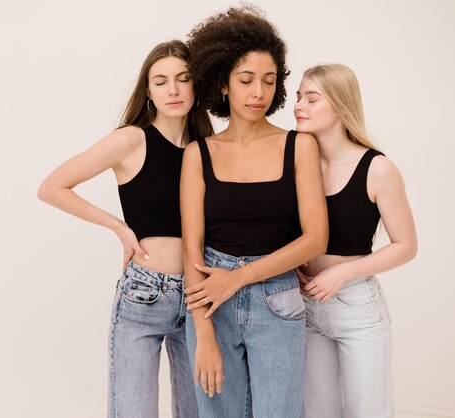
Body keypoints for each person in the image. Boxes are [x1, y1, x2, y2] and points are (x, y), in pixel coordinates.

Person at [38, 40, 213, 418]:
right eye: (161, 81)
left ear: (196, 86)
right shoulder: (131, 140)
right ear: (148, 90)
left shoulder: (209, 148)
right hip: (144, 293)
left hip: (201, 297)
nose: (174, 90)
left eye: (183, 79)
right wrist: (118, 226)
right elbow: (52, 187)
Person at [180, 6, 328, 417]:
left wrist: (239, 278)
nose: (258, 93)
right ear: (223, 84)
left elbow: (316, 238)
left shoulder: (299, 145)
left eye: (268, 81)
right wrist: (204, 334)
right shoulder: (199, 154)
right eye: (246, 81)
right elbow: (192, 247)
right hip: (210, 301)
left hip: (277, 298)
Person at [294, 63, 417, 418]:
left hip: (357, 309)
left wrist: (342, 274)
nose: (299, 105)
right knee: (317, 412)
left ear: (340, 104)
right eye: (300, 97)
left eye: (312, 99)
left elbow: (406, 245)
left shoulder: (378, 168)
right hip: (306, 308)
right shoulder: (300, 164)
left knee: (368, 412)